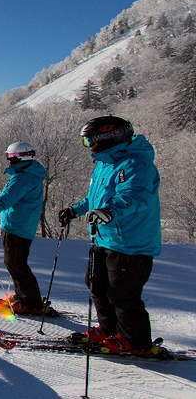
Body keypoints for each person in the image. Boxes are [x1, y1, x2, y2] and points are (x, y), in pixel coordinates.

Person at [58, 116, 161, 355]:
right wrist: (75, 210)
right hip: (104, 237)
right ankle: (110, 330)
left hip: (129, 242)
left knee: (123, 293)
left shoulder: (136, 163)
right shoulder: (105, 163)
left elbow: (134, 197)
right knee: (96, 285)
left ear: (108, 138)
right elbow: (95, 198)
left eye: (89, 141)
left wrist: (109, 212)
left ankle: (136, 342)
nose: (88, 146)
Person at [0, 141, 48, 315]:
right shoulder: (28, 174)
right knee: (15, 263)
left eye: (11, 157)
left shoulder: (23, 178)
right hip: (21, 226)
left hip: (17, 227)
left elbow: (4, 199)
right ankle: (23, 296)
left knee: (16, 264)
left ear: (20, 158)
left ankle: (30, 302)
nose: (9, 160)